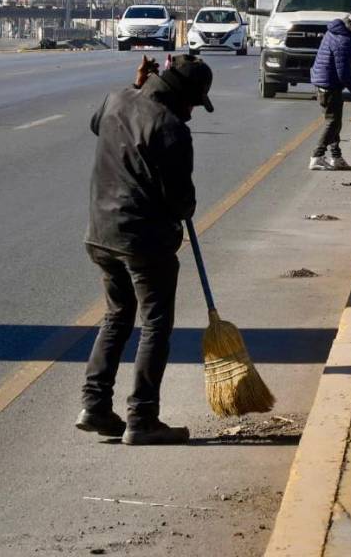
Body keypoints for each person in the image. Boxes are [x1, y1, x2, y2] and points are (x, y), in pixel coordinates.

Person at [76, 54, 213, 446]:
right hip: (143, 241)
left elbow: (95, 125)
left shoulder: (117, 98)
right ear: (181, 95)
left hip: (100, 234)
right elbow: (180, 202)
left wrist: (136, 88)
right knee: (155, 325)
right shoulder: (171, 128)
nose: (191, 113)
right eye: (192, 104)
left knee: (117, 316)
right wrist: (184, 209)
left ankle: (95, 404)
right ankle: (142, 418)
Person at [310, 17, 351, 171]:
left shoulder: (339, 35)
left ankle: (336, 157)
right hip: (329, 85)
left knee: (336, 123)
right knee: (332, 122)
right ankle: (317, 156)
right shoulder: (344, 43)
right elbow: (344, 74)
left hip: (325, 82)